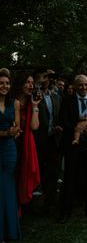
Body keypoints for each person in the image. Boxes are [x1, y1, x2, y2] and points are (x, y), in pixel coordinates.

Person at [58, 74, 87, 222]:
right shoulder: (67, 100)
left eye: (86, 84)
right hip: (74, 143)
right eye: (80, 85)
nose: (84, 87)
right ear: (75, 86)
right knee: (70, 176)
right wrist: (80, 128)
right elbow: (64, 121)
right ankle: (66, 210)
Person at [11, 73, 42, 208]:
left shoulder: (32, 103)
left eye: (32, 83)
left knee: (22, 173)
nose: (31, 85)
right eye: (28, 82)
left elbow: (34, 126)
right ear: (20, 84)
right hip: (11, 141)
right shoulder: (10, 101)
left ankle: (20, 204)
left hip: (25, 143)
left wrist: (35, 106)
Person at [33, 69, 62, 214]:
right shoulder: (34, 95)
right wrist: (38, 83)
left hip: (54, 139)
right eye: (45, 77)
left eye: (50, 78)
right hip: (39, 139)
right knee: (41, 171)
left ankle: (51, 202)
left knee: (53, 171)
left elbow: (59, 116)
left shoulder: (56, 97)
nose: (48, 80)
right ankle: (42, 200)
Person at [0, 70, 21, 242]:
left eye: (7, 83)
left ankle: (9, 231)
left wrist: (9, 132)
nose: (4, 86)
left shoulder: (15, 103)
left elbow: (17, 128)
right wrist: (7, 132)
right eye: (1, 83)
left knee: (7, 185)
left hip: (8, 150)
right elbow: (10, 130)